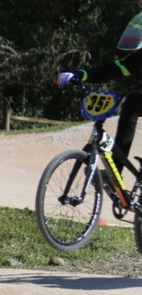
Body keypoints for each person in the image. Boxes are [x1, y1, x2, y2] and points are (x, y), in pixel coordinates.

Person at [56, 11, 142, 177]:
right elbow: (110, 70)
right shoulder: (138, 57)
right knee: (132, 103)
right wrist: (79, 75)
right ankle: (114, 175)